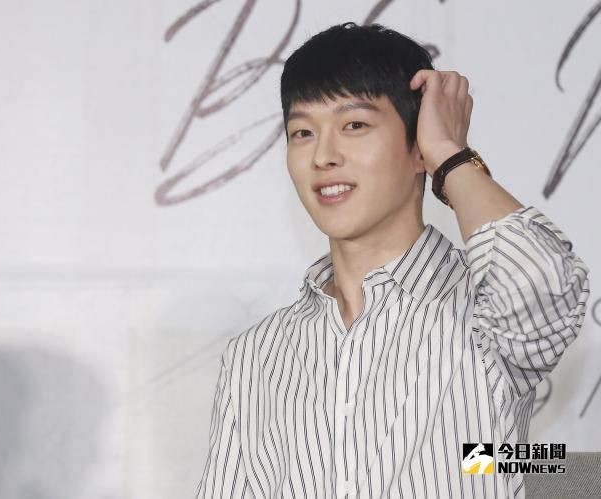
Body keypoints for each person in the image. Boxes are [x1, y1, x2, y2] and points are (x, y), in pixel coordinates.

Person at [195, 22, 591, 498]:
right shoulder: (255, 355)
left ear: (417, 144)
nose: (323, 155)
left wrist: (449, 154)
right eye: (302, 132)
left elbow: (543, 280)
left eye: (354, 125)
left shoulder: (482, 314)